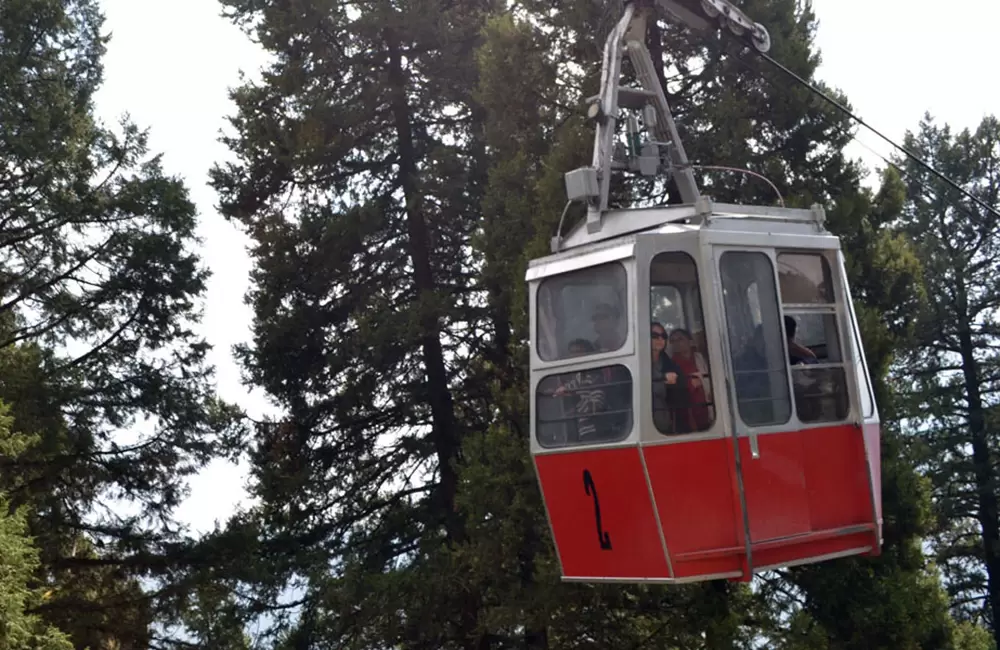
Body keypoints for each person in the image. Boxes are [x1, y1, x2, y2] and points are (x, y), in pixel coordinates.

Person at [668, 328, 714, 431]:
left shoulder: (700, 358)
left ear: (690, 341)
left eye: (680, 339)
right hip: (688, 414)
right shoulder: (671, 364)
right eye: (673, 341)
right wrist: (690, 383)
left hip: (709, 408)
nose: (676, 343)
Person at [651, 321, 691, 433]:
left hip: (671, 424)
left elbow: (683, 391)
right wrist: (662, 381)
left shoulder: (670, 364)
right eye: (654, 336)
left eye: (663, 336)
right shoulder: (639, 364)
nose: (660, 339)